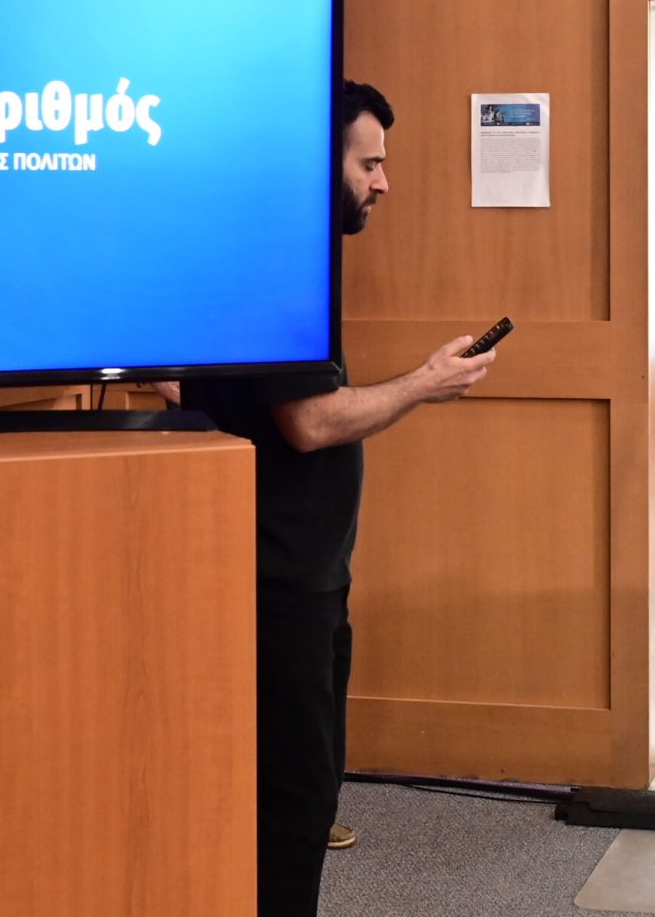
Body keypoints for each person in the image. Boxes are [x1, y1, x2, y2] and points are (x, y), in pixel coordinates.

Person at [178, 80, 499, 915]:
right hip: (278, 580)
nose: (383, 182)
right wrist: (426, 382)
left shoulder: (259, 254)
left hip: (300, 572)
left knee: (296, 793)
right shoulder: (276, 268)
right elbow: (312, 422)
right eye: (369, 164)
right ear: (320, 165)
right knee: (295, 802)